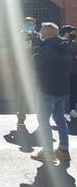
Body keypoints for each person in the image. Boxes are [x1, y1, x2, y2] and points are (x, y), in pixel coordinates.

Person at [30, 23, 72, 162]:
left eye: (42, 30)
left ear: (47, 33)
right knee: (60, 118)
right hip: (63, 89)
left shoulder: (47, 49)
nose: (40, 32)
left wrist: (34, 50)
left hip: (47, 89)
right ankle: (63, 150)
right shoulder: (66, 46)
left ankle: (47, 152)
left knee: (43, 120)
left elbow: (34, 64)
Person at [15, 17, 42, 127]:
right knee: (22, 94)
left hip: (37, 69)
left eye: (31, 24)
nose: (29, 26)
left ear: (35, 25)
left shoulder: (39, 35)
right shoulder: (19, 35)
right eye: (26, 24)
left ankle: (42, 117)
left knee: (40, 94)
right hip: (23, 68)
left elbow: (42, 48)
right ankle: (21, 117)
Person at [59, 25, 77, 118]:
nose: (74, 34)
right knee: (62, 92)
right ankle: (64, 110)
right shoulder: (59, 43)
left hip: (73, 72)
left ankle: (71, 109)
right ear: (67, 33)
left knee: (73, 91)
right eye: (72, 32)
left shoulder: (74, 44)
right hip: (63, 72)